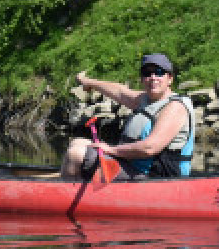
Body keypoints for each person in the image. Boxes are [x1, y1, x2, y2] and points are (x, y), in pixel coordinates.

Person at [60, 53, 194, 179]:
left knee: (76, 155)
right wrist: (89, 82)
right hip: (134, 167)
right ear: (142, 79)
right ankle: (75, 192)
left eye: (159, 72)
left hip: (158, 177)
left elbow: (150, 147)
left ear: (169, 78)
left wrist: (111, 149)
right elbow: (120, 92)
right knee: (77, 142)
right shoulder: (145, 99)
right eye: (147, 73)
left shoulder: (175, 107)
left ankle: (63, 197)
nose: (153, 78)